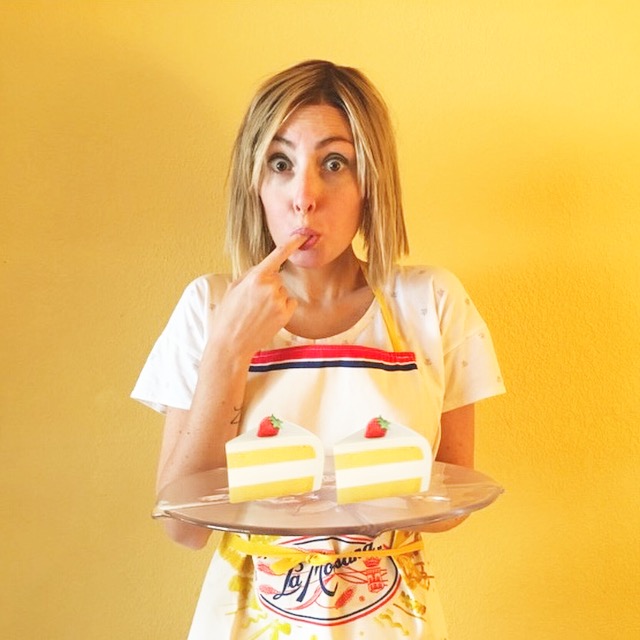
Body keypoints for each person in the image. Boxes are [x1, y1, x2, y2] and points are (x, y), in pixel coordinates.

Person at [132, 59, 505, 639]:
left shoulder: (431, 302)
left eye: (335, 163)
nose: (304, 197)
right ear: (255, 182)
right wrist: (228, 351)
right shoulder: (210, 306)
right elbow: (183, 529)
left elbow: (449, 510)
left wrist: (363, 490)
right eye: (280, 164)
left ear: (370, 183)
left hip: (392, 622)